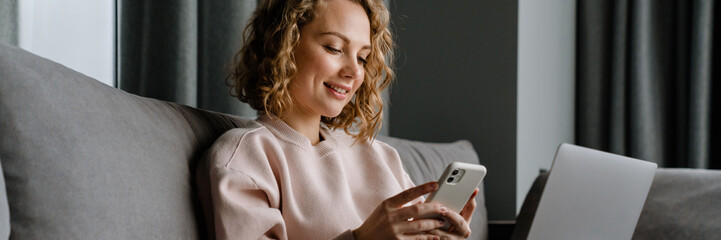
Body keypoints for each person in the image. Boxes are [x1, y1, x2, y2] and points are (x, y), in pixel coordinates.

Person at [199, 0, 479, 239]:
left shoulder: (380, 156)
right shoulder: (246, 157)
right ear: (281, 44)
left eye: (363, 58)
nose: (353, 72)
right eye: (334, 48)